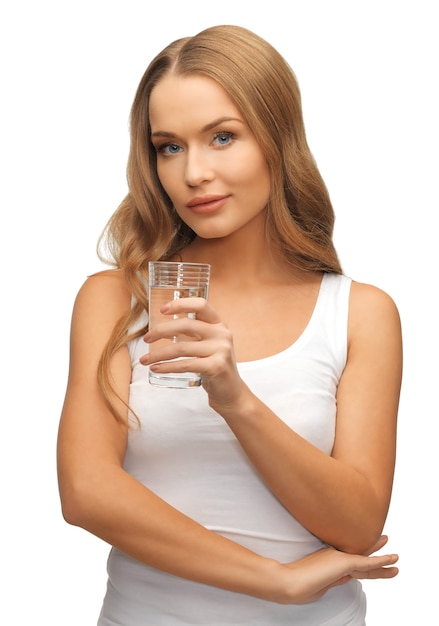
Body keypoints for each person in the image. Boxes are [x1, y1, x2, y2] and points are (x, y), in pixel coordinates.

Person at [57, 24, 402, 625]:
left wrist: (234, 397)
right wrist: (276, 581)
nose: (194, 173)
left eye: (222, 137)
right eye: (169, 146)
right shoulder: (116, 299)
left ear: (277, 138)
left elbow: (358, 524)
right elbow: (86, 492)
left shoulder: (359, 313)